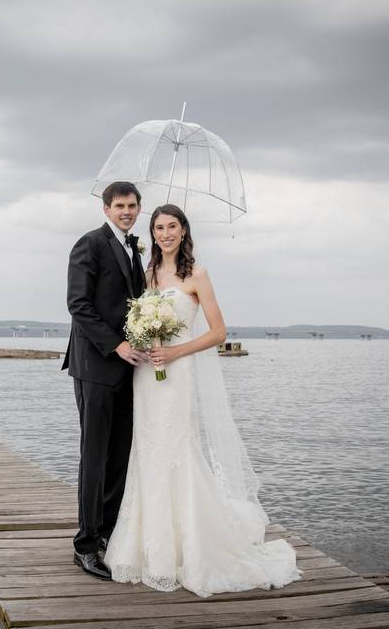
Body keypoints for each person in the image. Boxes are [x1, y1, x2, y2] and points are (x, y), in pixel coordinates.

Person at [103, 203, 304, 597]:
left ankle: (191, 549)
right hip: (147, 373)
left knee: (178, 449)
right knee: (147, 452)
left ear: (183, 230)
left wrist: (176, 352)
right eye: (159, 227)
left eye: (172, 226)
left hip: (177, 373)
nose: (165, 233)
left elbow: (218, 332)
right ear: (153, 233)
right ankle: (148, 550)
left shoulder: (197, 275)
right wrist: (146, 340)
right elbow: (136, 323)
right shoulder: (144, 275)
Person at [62, 181, 148, 580]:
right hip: (95, 366)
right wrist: (115, 346)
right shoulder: (90, 244)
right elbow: (78, 304)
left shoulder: (133, 248)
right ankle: (85, 545)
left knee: (119, 456)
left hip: (130, 368)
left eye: (132, 206)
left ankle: (108, 534)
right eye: (120, 206)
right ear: (106, 208)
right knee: (94, 457)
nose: (126, 211)